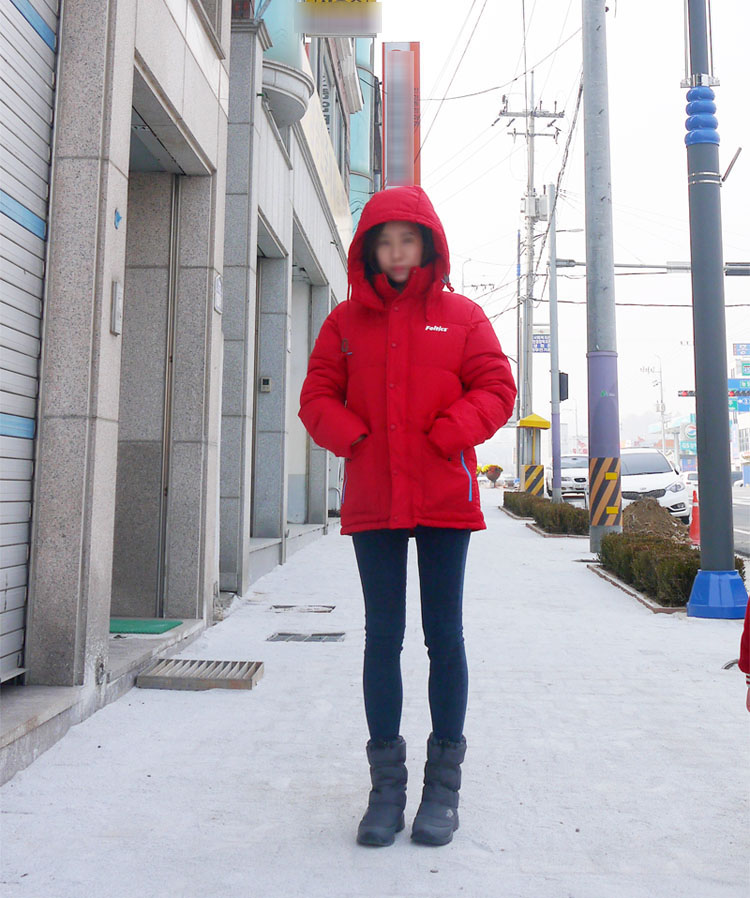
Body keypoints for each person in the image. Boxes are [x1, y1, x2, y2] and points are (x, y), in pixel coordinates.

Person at [299, 185, 516, 847]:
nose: (396, 252)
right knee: (382, 637)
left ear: (428, 245)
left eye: (408, 240)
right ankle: (386, 789)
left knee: (443, 636)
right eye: (385, 242)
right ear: (368, 251)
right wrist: (356, 439)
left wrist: (451, 432)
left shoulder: (463, 317)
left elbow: (496, 387)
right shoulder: (344, 323)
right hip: (375, 500)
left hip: (444, 497)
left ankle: (442, 788)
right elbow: (316, 397)